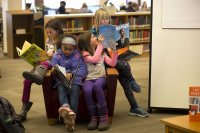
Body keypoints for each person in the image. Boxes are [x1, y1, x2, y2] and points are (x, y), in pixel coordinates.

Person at [93, 8, 149, 117]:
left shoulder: (112, 31)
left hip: (114, 59)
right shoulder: (94, 32)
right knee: (125, 66)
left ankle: (134, 107)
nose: (106, 21)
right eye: (102, 19)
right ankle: (133, 81)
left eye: (107, 19)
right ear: (97, 20)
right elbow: (93, 50)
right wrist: (98, 41)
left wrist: (123, 51)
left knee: (125, 80)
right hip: (103, 62)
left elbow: (117, 48)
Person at [18, 18, 64, 121]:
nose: (48, 34)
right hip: (45, 64)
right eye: (47, 32)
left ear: (57, 30)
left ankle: (38, 75)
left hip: (56, 66)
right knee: (26, 81)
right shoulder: (48, 40)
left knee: (47, 62)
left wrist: (53, 55)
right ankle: (24, 109)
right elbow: (44, 56)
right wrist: (35, 65)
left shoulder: (62, 41)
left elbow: (64, 58)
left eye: (50, 32)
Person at [78, 32, 118, 131]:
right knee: (87, 90)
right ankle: (93, 117)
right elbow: (95, 59)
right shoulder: (84, 54)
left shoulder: (102, 53)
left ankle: (103, 116)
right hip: (88, 79)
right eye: (92, 37)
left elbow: (112, 63)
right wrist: (100, 44)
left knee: (97, 86)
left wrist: (115, 52)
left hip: (101, 78)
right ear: (87, 43)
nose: (96, 37)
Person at [51, 35, 88, 132]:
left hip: (75, 80)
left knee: (74, 93)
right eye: (65, 48)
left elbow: (83, 69)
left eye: (70, 49)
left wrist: (72, 73)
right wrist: (54, 70)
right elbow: (53, 66)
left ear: (74, 48)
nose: (67, 51)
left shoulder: (78, 55)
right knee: (61, 90)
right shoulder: (57, 55)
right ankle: (66, 107)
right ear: (61, 46)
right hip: (61, 80)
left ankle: (71, 119)